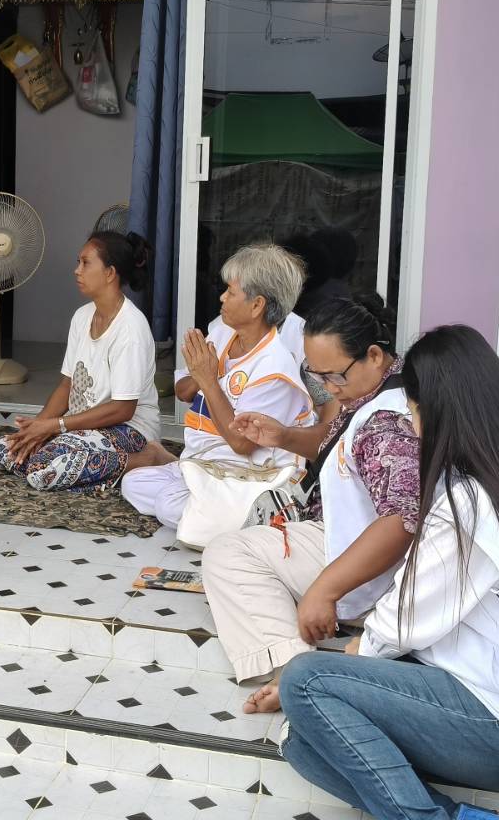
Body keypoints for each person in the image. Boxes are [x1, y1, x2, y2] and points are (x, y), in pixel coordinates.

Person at [272, 325, 499, 820]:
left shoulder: (469, 503)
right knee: (302, 743)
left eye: (412, 406)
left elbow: (403, 620)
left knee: (304, 683)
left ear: (435, 409)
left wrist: (345, 669)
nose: (408, 417)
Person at [203, 295, 420, 700]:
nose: (327, 387)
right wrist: (283, 436)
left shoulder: (387, 421)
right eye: (314, 374)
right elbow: (342, 442)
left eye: (333, 376)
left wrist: (326, 590)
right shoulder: (377, 385)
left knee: (227, 555)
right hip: (342, 535)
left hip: (366, 560)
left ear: (374, 355)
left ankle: (296, 670)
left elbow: (402, 520)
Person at [122, 243, 313, 528]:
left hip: (248, 473)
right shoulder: (224, 335)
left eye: (231, 292)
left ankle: (244, 513)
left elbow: (241, 444)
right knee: (133, 483)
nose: (222, 297)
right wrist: (202, 375)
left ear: (257, 305)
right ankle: (208, 506)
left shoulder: (274, 368)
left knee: (169, 506)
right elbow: (184, 390)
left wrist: (210, 381)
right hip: (204, 462)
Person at [0, 231, 163, 491]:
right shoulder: (81, 317)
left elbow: (123, 409)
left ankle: (145, 459)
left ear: (110, 273)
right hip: (80, 426)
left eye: (85, 263)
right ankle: (79, 468)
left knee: (46, 469)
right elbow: (67, 385)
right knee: (6, 447)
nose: (76, 271)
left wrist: (56, 426)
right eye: (78, 262)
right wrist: (36, 429)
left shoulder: (130, 329)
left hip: (130, 429)